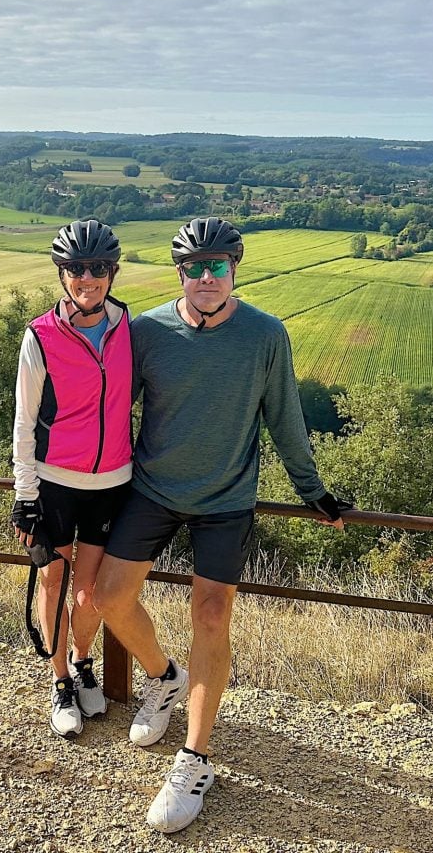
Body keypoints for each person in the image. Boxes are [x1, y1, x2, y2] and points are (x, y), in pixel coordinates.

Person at [94, 216, 352, 832]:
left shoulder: (265, 334)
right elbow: (103, 409)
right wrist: (64, 485)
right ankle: (163, 678)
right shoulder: (145, 331)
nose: (205, 277)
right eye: (193, 267)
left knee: (210, 615)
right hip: (152, 489)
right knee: (106, 597)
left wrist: (312, 490)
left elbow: (285, 414)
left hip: (227, 498)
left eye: (217, 266)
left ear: (235, 268)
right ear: (179, 271)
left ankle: (195, 759)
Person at [12, 219, 133, 738]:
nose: (88, 278)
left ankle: (83, 663)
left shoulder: (132, 325)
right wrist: (25, 495)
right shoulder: (39, 336)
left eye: (99, 268)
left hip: (112, 482)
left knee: (89, 594)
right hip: (55, 482)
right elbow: (22, 421)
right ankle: (60, 679)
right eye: (77, 269)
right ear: (62, 274)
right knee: (53, 582)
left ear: (113, 272)